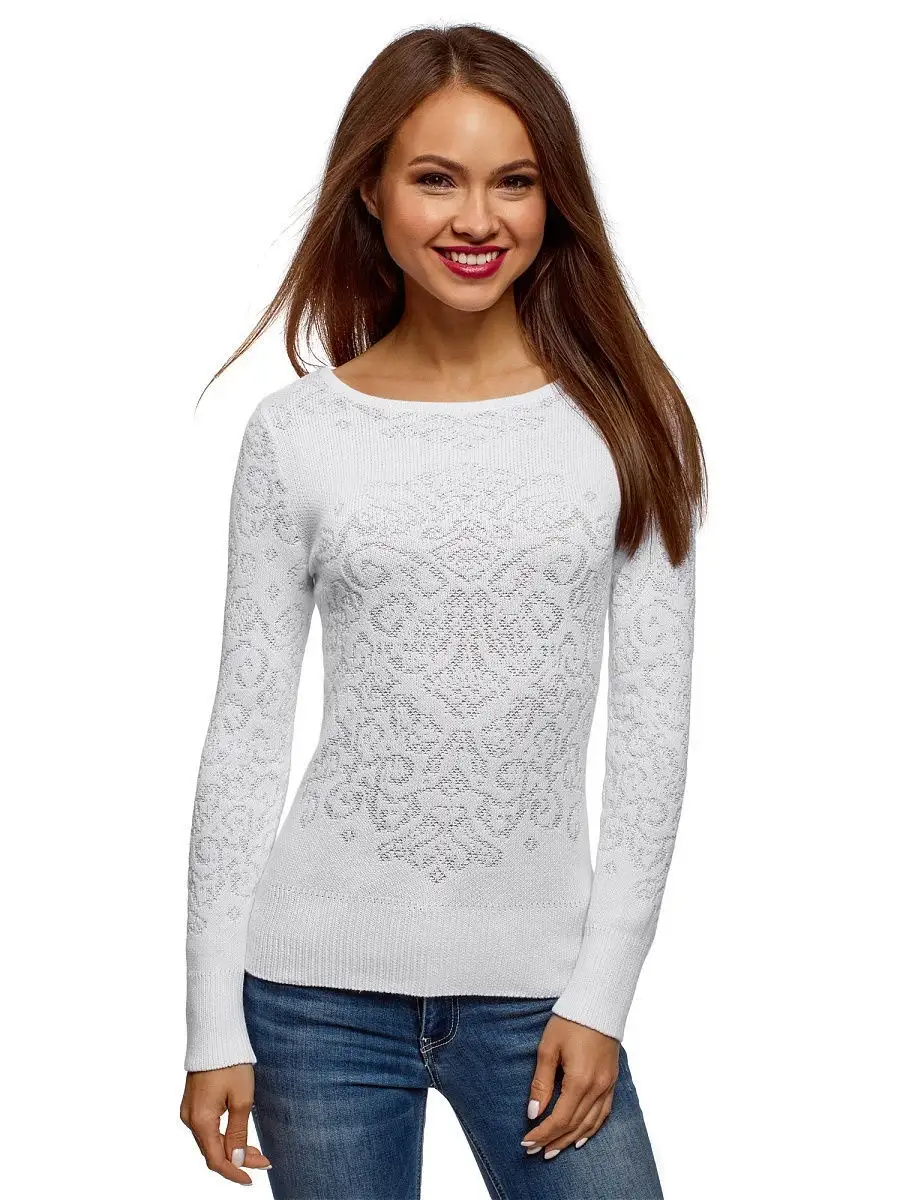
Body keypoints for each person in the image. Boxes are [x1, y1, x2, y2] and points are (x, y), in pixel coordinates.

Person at [179, 22, 706, 1200]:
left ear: (555, 198)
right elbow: (247, 731)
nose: (478, 219)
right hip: (312, 997)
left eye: (514, 181)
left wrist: (601, 997)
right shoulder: (296, 435)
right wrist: (212, 1019)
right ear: (370, 191)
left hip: (543, 991)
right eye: (436, 178)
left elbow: (653, 741)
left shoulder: (629, 426)